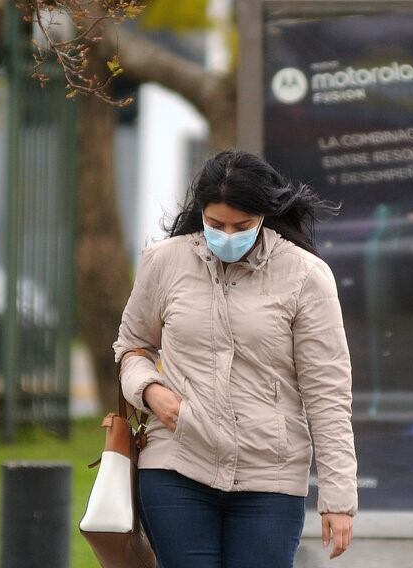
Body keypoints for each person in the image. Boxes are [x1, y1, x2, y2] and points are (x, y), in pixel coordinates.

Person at [113, 150, 357, 568]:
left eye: (241, 226)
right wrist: (150, 391)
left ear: (264, 216)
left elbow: (327, 396)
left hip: (271, 478)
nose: (227, 235)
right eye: (215, 224)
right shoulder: (164, 262)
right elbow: (131, 347)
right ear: (200, 213)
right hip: (175, 465)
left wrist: (338, 498)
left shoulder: (306, 276)